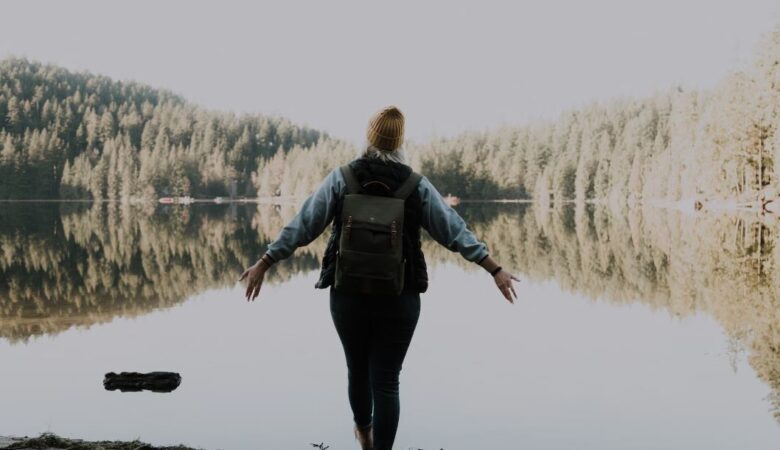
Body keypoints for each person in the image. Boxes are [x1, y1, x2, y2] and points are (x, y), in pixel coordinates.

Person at [240, 105, 519, 450]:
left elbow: (304, 225)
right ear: (399, 142)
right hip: (399, 298)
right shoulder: (416, 185)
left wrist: (265, 262)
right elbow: (453, 231)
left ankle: (364, 437)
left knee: (357, 370)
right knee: (386, 382)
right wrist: (494, 268)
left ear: (369, 138)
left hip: (348, 295)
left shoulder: (343, 178)